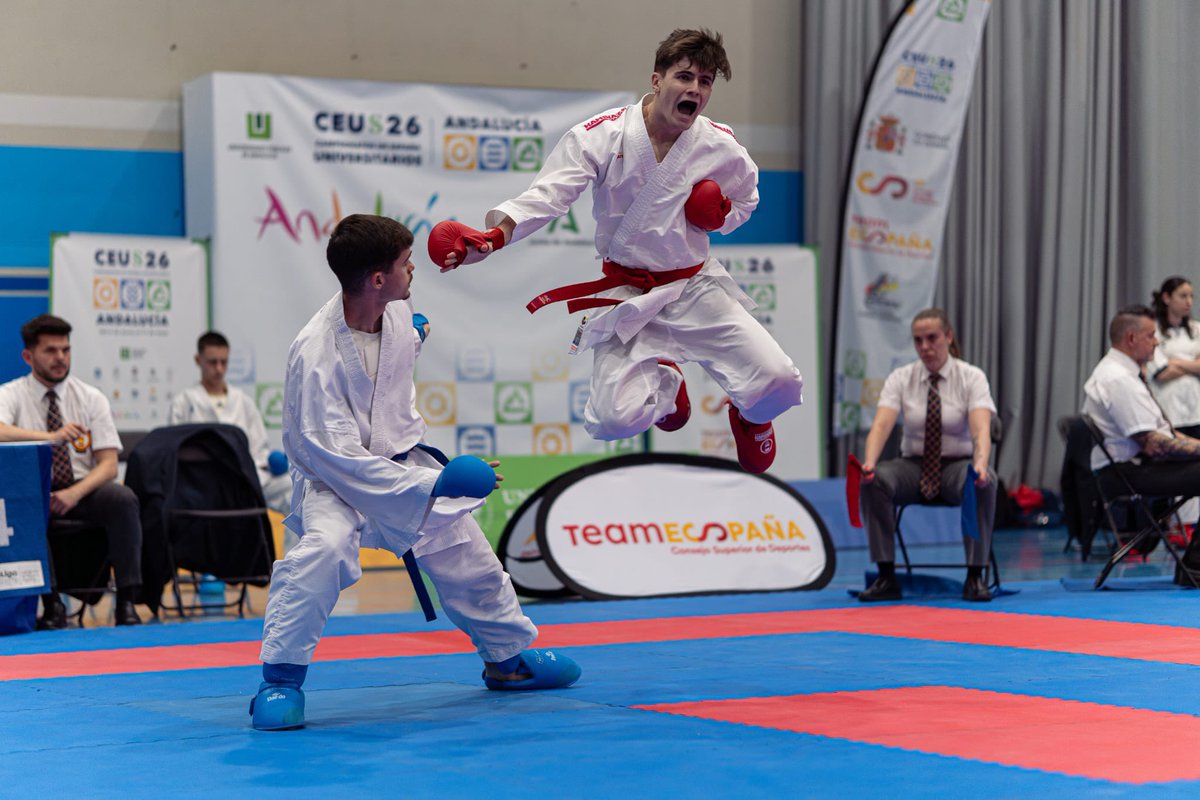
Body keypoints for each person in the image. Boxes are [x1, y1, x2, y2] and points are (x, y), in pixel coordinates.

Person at [250, 214, 580, 731]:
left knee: (466, 552)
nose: (413, 270)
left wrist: (417, 335)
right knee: (322, 551)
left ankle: (507, 661)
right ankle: (280, 680)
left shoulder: (396, 313)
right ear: (377, 279)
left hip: (402, 458)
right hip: (335, 481)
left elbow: (388, 361)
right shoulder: (315, 355)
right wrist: (433, 483)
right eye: (406, 263)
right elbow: (337, 455)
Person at [431, 28, 802, 474]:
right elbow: (551, 193)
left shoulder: (720, 145)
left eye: (705, 82)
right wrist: (495, 237)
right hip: (629, 294)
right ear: (656, 79)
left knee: (780, 380)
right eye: (684, 77)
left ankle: (748, 417)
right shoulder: (603, 135)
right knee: (611, 420)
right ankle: (668, 388)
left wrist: (719, 215)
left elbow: (747, 199)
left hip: (694, 287)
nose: (695, 90)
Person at [0, 314, 145, 627]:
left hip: (82, 487)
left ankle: (127, 603)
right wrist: (49, 438)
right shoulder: (11, 394)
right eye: (50, 351)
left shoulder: (90, 397)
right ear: (28, 356)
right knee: (27, 506)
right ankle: (51, 606)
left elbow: (107, 464)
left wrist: (73, 494)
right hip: (34, 491)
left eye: (65, 350)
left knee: (123, 498)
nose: (60, 358)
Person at [857, 309, 998, 602]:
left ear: (948, 337)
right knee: (874, 480)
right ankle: (886, 575)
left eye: (932, 338)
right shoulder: (901, 378)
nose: (925, 347)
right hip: (913, 467)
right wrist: (868, 462)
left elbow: (980, 429)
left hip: (956, 467)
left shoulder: (971, 377)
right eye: (918, 340)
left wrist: (980, 466)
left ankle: (975, 576)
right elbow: (882, 424)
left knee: (981, 481)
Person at [1082, 305, 1200, 585]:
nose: (1157, 342)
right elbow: (1153, 444)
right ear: (1132, 338)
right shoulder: (1117, 379)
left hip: (1138, 466)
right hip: (1127, 473)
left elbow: (1166, 434)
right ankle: (1195, 566)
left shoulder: (1124, 373)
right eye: (1151, 336)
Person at [168, 331, 292, 515]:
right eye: (212, 362)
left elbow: (259, 449)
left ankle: (298, 545)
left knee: (293, 489)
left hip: (245, 480)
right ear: (198, 360)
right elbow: (174, 451)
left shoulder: (243, 402)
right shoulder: (184, 403)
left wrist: (264, 464)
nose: (219, 369)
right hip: (202, 483)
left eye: (224, 362)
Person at [1148, 277, 1200, 438]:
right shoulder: (1152, 331)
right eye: (1183, 296)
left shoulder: (1196, 329)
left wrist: (1174, 361)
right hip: (1168, 409)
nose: (1189, 302)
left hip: (1196, 410)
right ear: (1166, 298)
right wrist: (1193, 364)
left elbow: (1169, 366)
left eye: (1191, 296)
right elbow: (1162, 373)